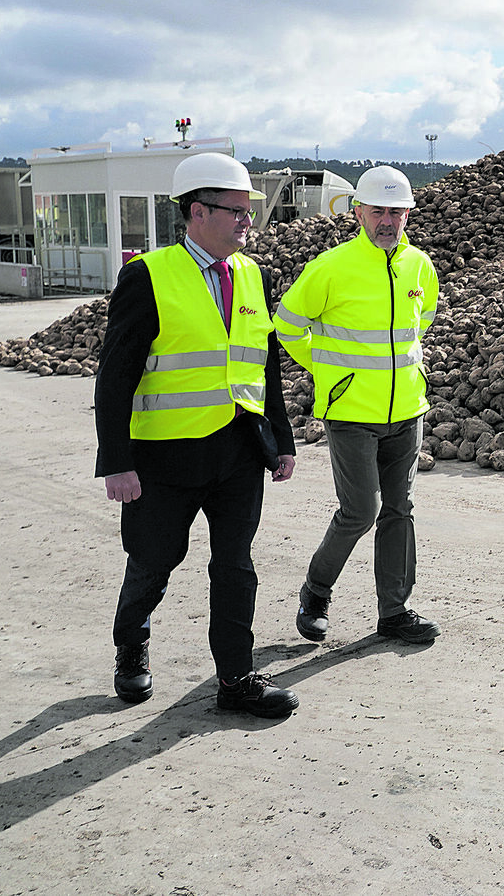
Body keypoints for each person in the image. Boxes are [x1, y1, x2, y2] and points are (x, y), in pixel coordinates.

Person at [96, 152, 300, 718]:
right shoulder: (148, 276)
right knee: (154, 559)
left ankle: (236, 680)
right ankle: (131, 647)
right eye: (236, 212)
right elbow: (115, 376)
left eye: (248, 211)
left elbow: (265, 362)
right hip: (165, 456)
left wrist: (280, 437)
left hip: (238, 449)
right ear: (196, 212)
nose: (247, 223)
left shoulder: (254, 276)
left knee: (235, 564)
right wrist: (116, 461)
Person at [275, 164, 441, 645]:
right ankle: (316, 592)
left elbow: (421, 319)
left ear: (408, 213)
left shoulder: (419, 265)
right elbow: (286, 325)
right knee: (360, 511)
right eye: (378, 211)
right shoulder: (330, 268)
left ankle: (394, 611)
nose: (387, 221)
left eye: (396, 212)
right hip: (350, 415)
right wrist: (330, 370)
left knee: (399, 510)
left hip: (407, 409)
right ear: (358, 213)